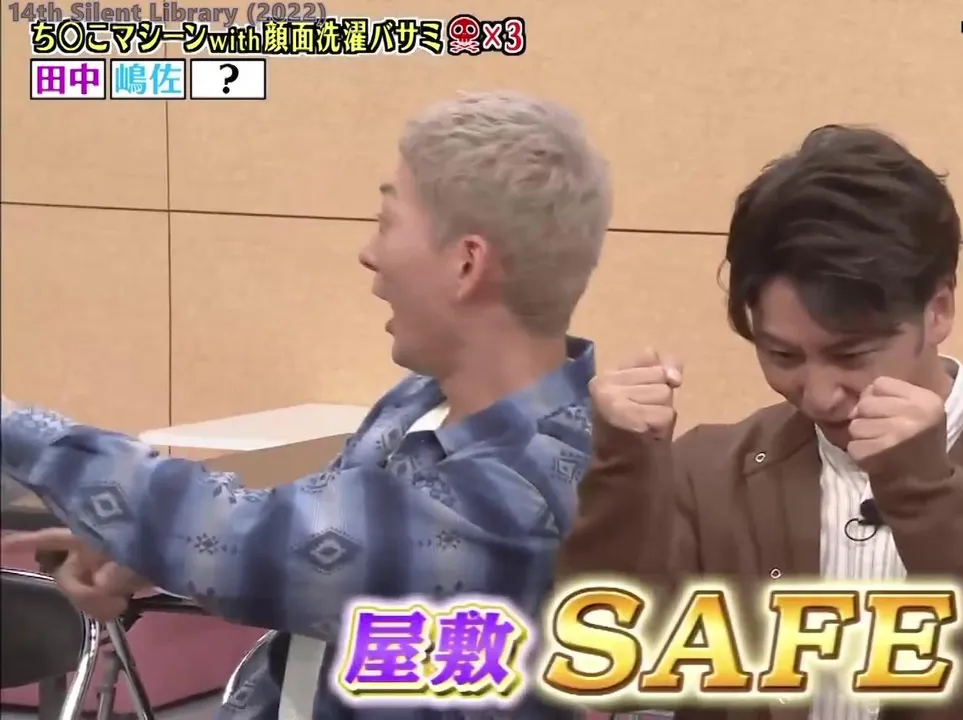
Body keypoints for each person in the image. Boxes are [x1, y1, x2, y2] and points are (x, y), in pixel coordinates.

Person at [1, 90, 612, 720]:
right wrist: (146, 546)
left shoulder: (523, 489)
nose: (369, 253)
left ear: (466, 263)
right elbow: (315, 549)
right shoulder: (421, 401)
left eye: (387, 221)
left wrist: (15, 430)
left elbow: (250, 535)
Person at [557, 125, 963, 720]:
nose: (820, 396)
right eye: (783, 356)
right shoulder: (713, 472)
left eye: (851, 355)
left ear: (938, 309)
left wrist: (927, 494)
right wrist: (625, 470)